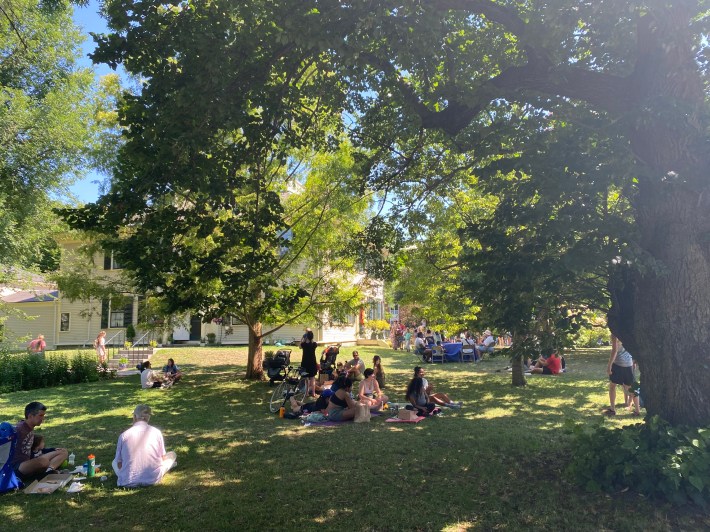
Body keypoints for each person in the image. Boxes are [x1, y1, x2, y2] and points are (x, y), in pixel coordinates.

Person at [112, 404, 177, 487]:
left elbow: (118, 464)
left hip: (127, 481)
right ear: (148, 417)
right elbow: (163, 458)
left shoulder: (124, 435)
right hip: (152, 479)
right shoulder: (156, 432)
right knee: (172, 455)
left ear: (134, 416)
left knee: (114, 462)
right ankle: (168, 466)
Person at [11, 402, 68, 480]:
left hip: (29, 461)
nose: (43, 418)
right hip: (17, 467)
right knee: (43, 462)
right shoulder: (19, 429)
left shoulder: (30, 427)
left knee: (63, 451)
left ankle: (48, 471)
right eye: (40, 415)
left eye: (43, 415)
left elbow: (33, 448)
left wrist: (52, 450)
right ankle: (43, 473)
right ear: (30, 416)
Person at [605, 335, 641, 416]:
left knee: (612, 386)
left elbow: (614, 350)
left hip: (618, 364)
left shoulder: (615, 334)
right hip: (628, 365)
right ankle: (637, 411)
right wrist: (633, 361)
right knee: (632, 388)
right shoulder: (628, 333)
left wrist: (609, 366)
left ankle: (612, 409)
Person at [300, 330, 318, 396]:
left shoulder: (304, 344)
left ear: (306, 337)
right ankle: (313, 393)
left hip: (305, 363)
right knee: (312, 378)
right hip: (312, 362)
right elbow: (314, 342)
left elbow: (300, 346)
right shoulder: (314, 344)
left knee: (306, 378)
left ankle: (307, 392)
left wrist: (302, 338)